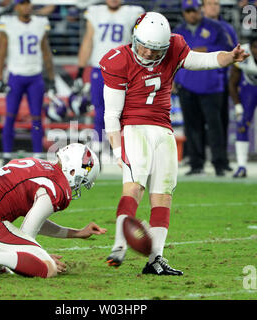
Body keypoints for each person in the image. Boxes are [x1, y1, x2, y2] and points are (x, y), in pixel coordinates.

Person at [100, 11, 248, 275]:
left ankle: (155, 258)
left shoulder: (175, 47)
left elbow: (200, 60)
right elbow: (111, 113)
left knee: (163, 195)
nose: (147, 54)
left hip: (163, 129)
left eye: (155, 50)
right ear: (134, 38)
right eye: (143, 46)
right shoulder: (118, 60)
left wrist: (229, 57)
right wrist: (117, 149)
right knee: (134, 187)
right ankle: (119, 246)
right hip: (135, 129)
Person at [0, 143, 106, 279]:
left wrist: (77, 233)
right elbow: (29, 229)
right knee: (48, 268)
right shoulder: (57, 186)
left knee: (26, 249)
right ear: (73, 171)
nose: (77, 187)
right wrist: (38, 257)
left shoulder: (38, 165)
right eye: (81, 181)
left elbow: (36, 220)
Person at [73, 0, 144, 152]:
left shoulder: (132, 11)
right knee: (100, 109)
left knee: (124, 109)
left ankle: (123, 148)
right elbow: (88, 41)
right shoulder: (95, 11)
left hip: (123, 69)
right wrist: (80, 70)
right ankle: (98, 148)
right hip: (100, 68)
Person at [174, 0, 233, 176]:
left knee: (215, 126)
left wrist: (206, 49)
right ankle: (196, 163)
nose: (192, 14)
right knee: (192, 127)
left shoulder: (215, 27)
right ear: (184, 13)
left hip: (211, 85)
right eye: (188, 11)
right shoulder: (178, 31)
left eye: (195, 10)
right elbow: (170, 57)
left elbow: (228, 50)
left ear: (200, 10)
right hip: (186, 84)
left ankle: (220, 164)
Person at [0, 0, 57, 165]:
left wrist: (51, 77)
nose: (27, 6)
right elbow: (1, 51)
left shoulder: (40, 23)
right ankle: (6, 153)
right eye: (22, 3)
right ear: (16, 7)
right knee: (10, 116)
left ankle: (38, 154)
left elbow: (46, 52)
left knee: (37, 117)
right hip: (15, 75)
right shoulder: (8, 23)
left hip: (35, 76)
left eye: (28, 3)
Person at [202, 0, 238, 172]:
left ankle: (221, 160)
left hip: (219, 82)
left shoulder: (226, 28)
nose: (213, 6)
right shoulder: (194, 26)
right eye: (209, 3)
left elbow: (235, 52)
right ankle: (196, 161)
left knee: (220, 123)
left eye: (216, 3)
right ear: (203, 7)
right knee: (196, 123)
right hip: (196, 81)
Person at [229, 36, 257, 178]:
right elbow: (232, 83)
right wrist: (238, 105)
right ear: (251, 48)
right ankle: (241, 166)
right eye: (255, 47)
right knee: (242, 124)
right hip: (249, 89)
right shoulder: (243, 53)